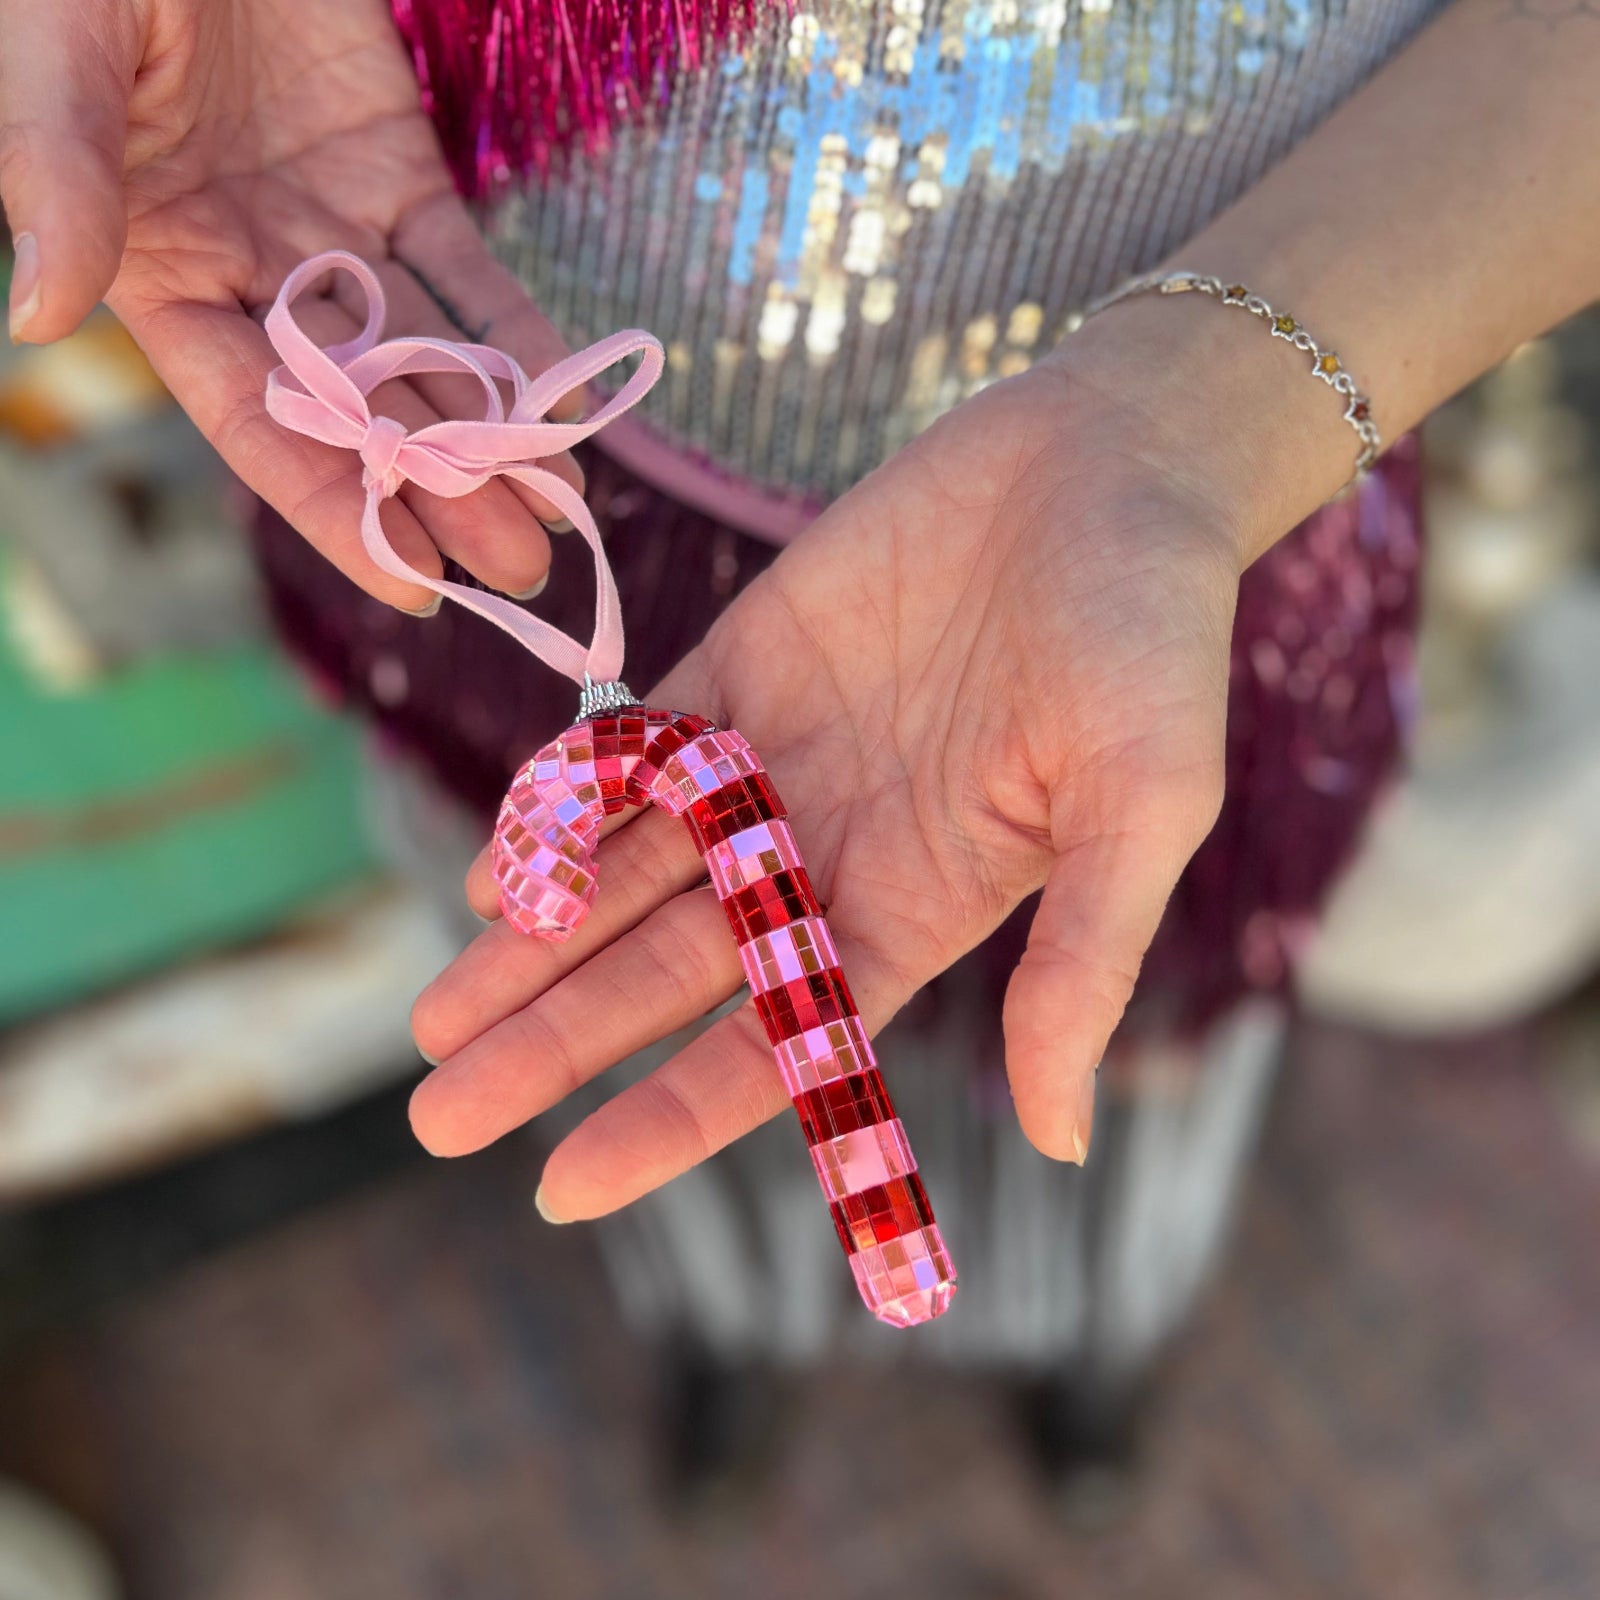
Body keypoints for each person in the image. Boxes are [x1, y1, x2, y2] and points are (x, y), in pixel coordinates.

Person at [4, 0, 1596, 1492]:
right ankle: (736, 1316)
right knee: (640, 1025)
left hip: (1190, 496)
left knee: (1112, 1000)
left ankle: (1092, 1326)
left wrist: (1193, 422)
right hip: (501, 402)